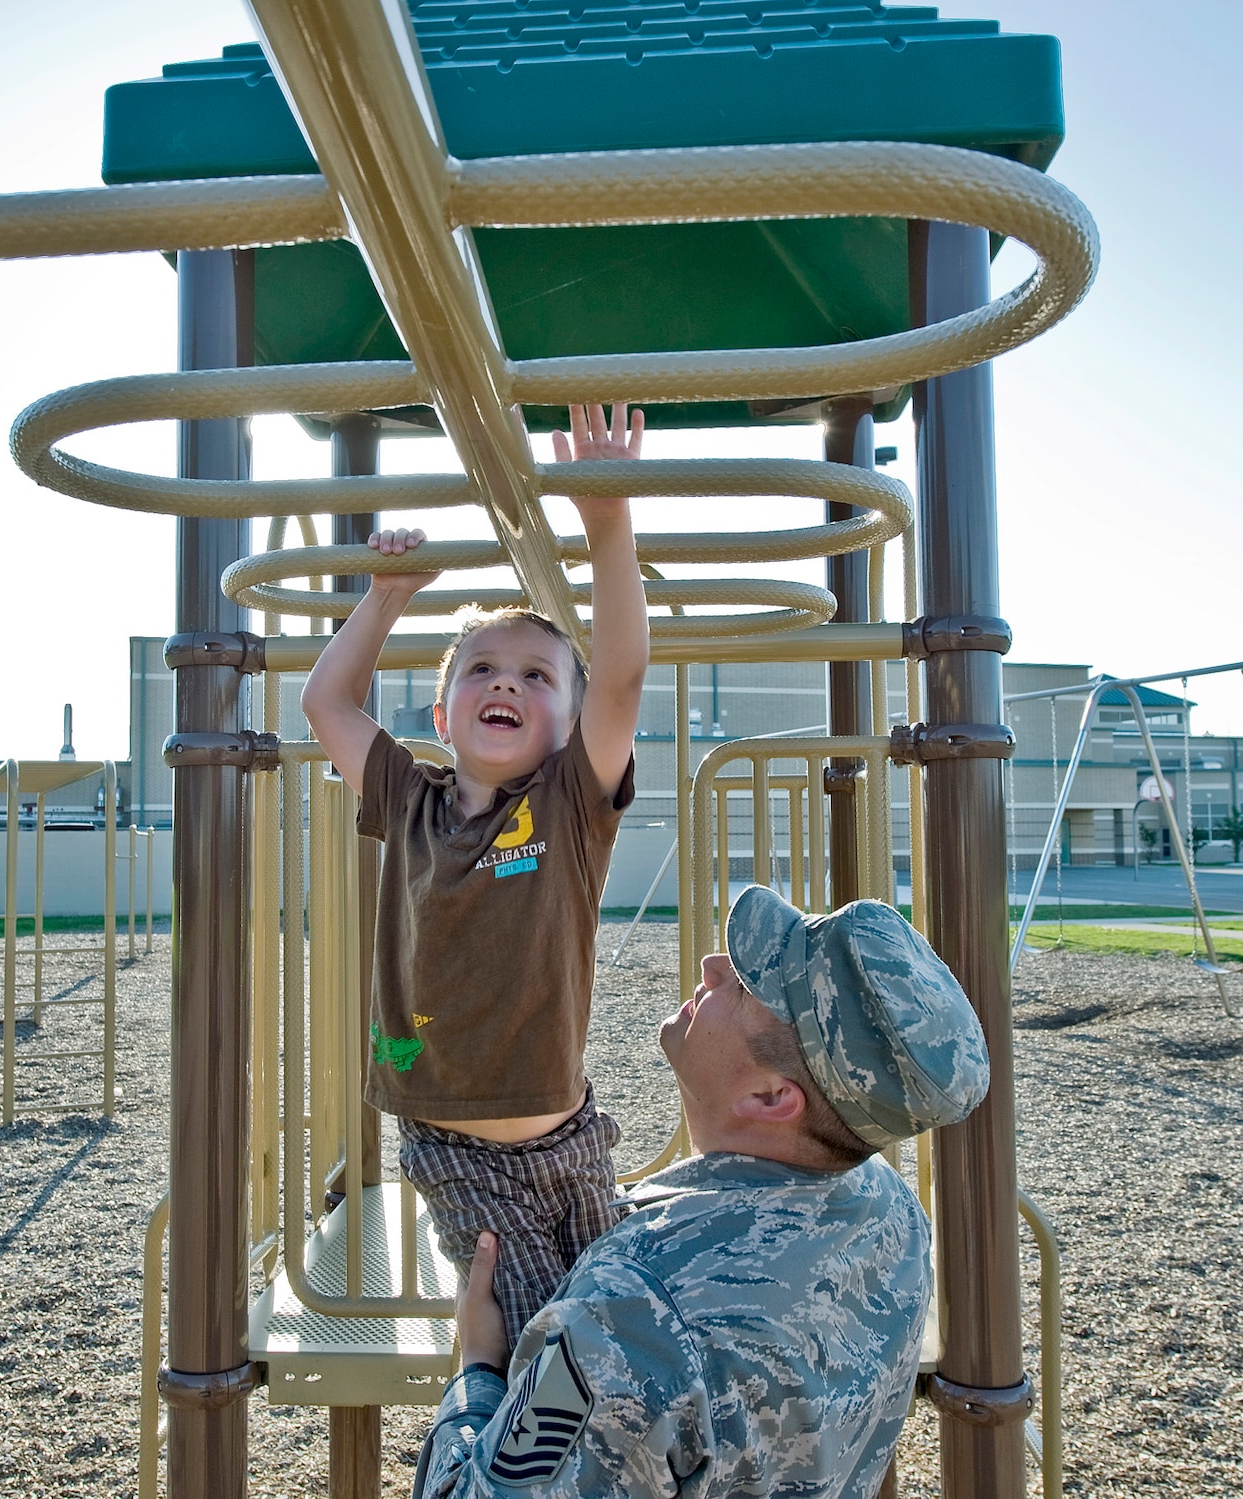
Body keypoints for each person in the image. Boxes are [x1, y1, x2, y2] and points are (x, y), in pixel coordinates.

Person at [414, 886, 992, 1498]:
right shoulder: (890, 1214)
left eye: (743, 985)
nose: (712, 968)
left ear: (772, 1098)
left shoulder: (635, 1310)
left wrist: (479, 1368)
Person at [300, 401, 649, 1348]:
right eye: (483, 669)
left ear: (571, 728)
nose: (507, 683)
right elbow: (325, 700)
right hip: (460, 1152)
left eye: (538, 677)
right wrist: (386, 596)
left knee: (617, 1331)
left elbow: (619, 676)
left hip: (571, 1139)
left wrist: (608, 525)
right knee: (549, 1344)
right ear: (443, 712)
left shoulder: (569, 805)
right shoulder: (406, 798)